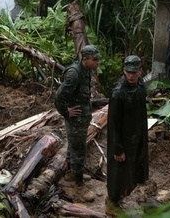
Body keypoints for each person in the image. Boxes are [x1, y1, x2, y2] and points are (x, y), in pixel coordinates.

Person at [55, 44, 101, 202]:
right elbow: (59, 97)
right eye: (95, 60)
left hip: (82, 117)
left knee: (74, 146)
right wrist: (66, 112)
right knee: (79, 150)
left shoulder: (86, 70)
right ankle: (79, 186)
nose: (97, 63)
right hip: (75, 119)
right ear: (85, 59)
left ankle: (70, 173)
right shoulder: (74, 73)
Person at [105, 55, 149, 216]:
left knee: (132, 171)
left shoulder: (140, 86)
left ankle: (121, 197)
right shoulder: (118, 93)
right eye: (128, 72)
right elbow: (113, 124)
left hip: (136, 138)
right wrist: (117, 148)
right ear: (123, 71)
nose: (131, 76)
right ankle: (111, 203)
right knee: (117, 173)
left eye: (134, 72)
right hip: (122, 141)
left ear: (140, 71)